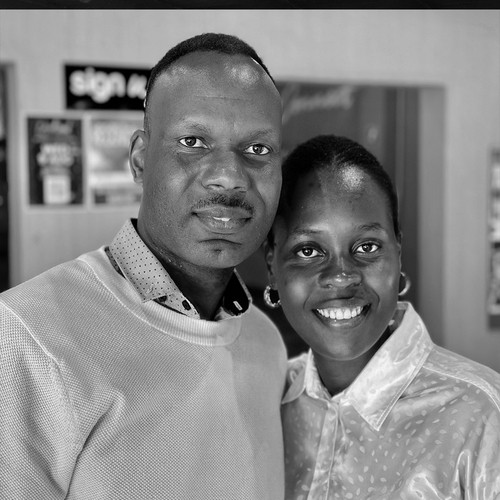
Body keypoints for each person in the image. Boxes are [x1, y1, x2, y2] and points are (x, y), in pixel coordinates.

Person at [0, 33, 287, 499]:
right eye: (193, 141)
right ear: (139, 159)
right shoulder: (28, 337)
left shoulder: (265, 343)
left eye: (258, 150)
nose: (229, 176)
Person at [264, 134, 500, 499]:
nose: (341, 276)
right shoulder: (267, 402)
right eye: (309, 250)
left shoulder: (481, 415)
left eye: (367, 246)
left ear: (398, 252)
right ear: (272, 267)